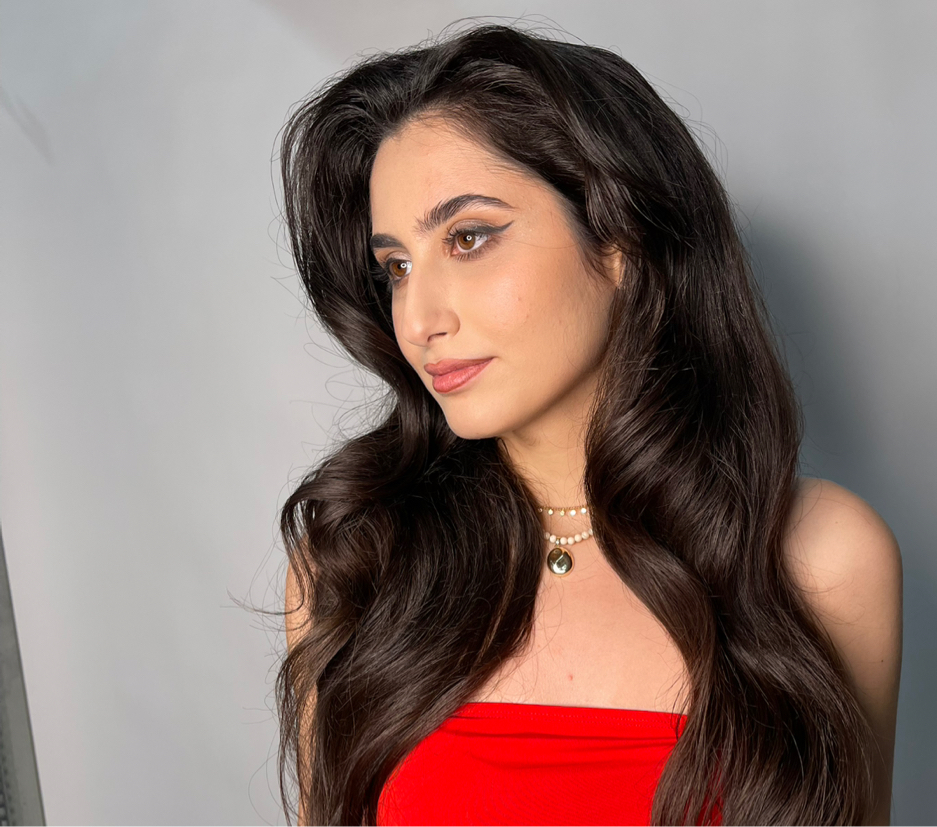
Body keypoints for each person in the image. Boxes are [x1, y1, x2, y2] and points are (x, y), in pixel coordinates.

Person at [275, 22, 902, 826]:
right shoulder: (354, 565)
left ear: (619, 241)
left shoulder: (819, 561)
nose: (420, 319)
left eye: (468, 238)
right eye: (395, 267)